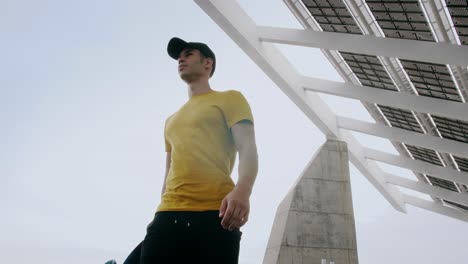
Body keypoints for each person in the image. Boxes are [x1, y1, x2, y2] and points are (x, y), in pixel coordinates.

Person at [124, 37, 258, 264]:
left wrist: (243, 189)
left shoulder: (230, 98)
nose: (181, 59)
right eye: (179, 57)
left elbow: (247, 147)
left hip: (216, 214)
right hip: (167, 215)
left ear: (207, 63)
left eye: (188, 54)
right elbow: (168, 171)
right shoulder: (170, 120)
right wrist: (161, 207)